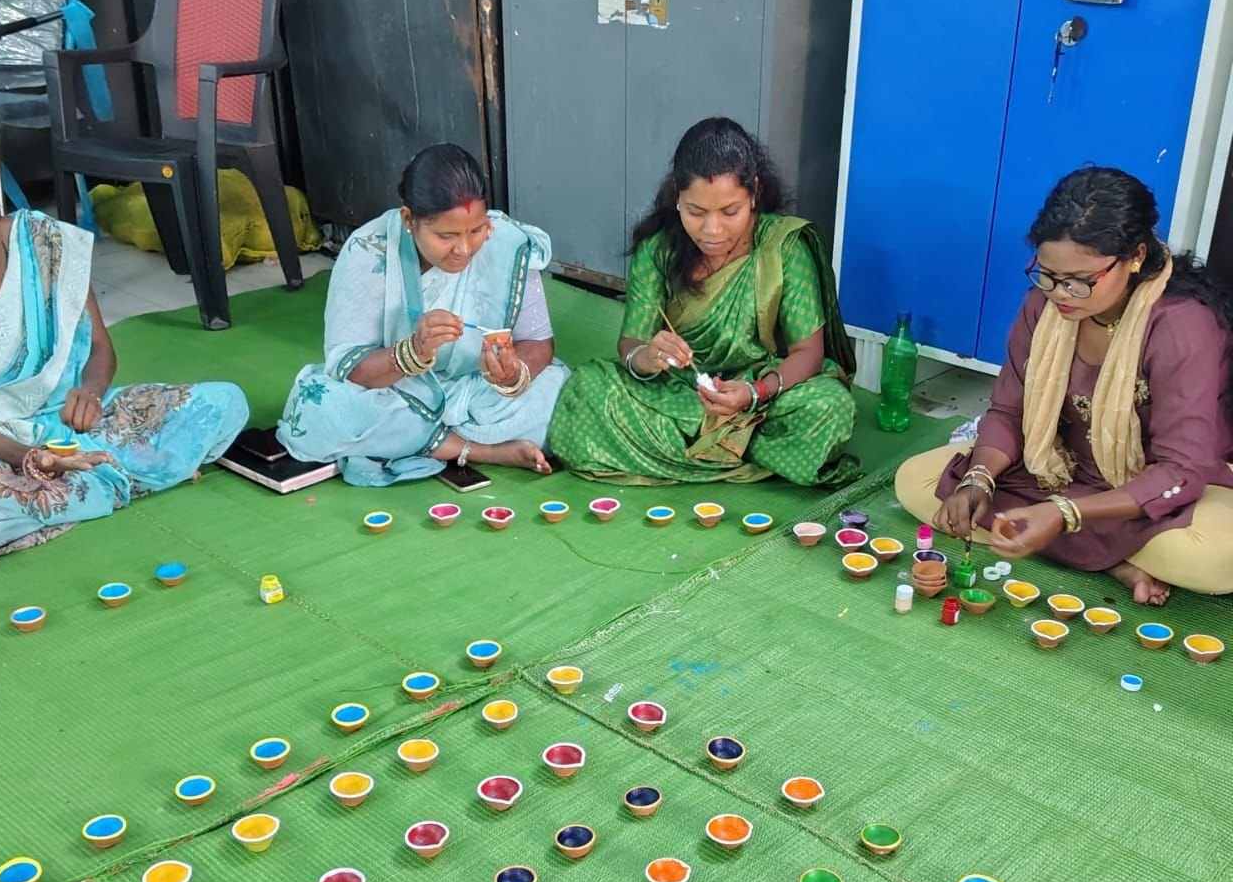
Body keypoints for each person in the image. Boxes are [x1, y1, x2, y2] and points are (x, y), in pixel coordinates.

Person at [896, 166, 1233, 603]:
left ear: (1134, 257)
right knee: (916, 481)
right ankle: (1113, 560)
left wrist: (1064, 513)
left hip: (1153, 491)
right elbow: (1009, 412)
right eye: (1048, 274)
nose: (1059, 293)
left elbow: (1182, 470)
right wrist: (978, 479)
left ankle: (1065, 537)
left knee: (1215, 557)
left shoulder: (1181, 325)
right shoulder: (1043, 306)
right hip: (1057, 469)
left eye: (1079, 281)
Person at [0, 159, 248, 561]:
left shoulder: (45, 242)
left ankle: (89, 484)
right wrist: (33, 460)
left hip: (82, 421)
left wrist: (91, 394)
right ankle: (128, 474)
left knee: (225, 403)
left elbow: (100, 349)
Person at [547, 116, 858, 487]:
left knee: (831, 407)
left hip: (760, 393)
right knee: (587, 389)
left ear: (754, 193)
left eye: (730, 212)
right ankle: (746, 449)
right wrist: (647, 357)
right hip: (681, 394)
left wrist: (754, 394)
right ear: (678, 197)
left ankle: (703, 447)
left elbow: (808, 352)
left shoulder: (784, 247)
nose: (712, 230)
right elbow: (631, 345)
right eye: (695, 212)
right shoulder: (658, 249)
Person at [277, 144, 567, 485]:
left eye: (476, 231)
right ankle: (481, 450)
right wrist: (412, 352)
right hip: (395, 390)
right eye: (446, 236)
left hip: (477, 391)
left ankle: (416, 440)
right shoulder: (368, 251)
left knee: (558, 392)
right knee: (318, 407)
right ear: (408, 220)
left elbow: (537, 342)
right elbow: (351, 369)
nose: (464, 249)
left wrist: (512, 374)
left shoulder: (508, 243)